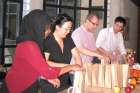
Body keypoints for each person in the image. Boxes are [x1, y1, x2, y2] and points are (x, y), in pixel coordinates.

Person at [0, 9, 81, 93]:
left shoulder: (33, 43)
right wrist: (71, 67)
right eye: (45, 28)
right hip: (17, 87)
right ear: (37, 27)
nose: (48, 31)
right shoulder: (29, 45)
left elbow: (37, 67)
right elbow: (47, 71)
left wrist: (47, 77)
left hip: (28, 83)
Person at [44, 13, 82, 93]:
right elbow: (45, 62)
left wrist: (79, 70)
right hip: (51, 81)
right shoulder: (48, 40)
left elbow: (77, 55)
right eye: (66, 29)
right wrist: (69, 66)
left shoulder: (68, 39)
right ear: (57, 27)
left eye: (70, 29)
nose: (68, 32)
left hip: (65, 81)